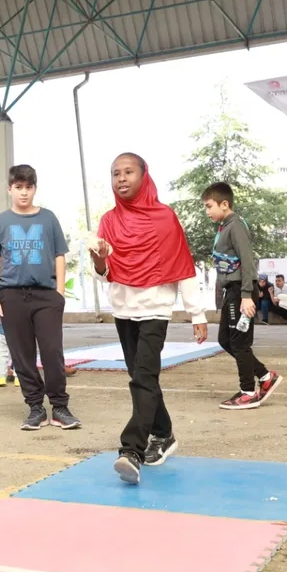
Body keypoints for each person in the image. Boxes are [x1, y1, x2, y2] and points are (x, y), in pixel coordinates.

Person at [91, 153, 208, 484]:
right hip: (123, 309)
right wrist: (99, 260)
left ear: (144, 176)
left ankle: (131, 450)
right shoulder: (108, 221)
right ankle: (164, 433)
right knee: (141, 376)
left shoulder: (164, 218)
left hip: (155, 308)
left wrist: (196, 313)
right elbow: (104, 273)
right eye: (116, 173)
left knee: (142, 377)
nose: (121, 179)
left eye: (128, 172)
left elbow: (183, 266)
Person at [0, 164, 80, 431]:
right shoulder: (1, 222)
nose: (24, 193)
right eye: (18, 187)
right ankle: (35, 407)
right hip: (12, 296)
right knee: (22, 356)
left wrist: (59, 293)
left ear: (35, 189)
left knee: (52, 352)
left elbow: (59, 255)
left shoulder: (48, 219)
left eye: (28, 187)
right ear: (9, 189)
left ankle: (59, 407)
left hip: (46, 295)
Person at [204, 182, 283, 410]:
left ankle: (248, 392)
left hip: (241, 291)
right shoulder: (225, 227)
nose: (207, 211)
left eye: (209, 206)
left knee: (240, 343)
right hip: (232, 291)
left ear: (224, 204)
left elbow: (248, 261)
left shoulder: (236, 225)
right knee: (226, 340)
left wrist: (247, 295)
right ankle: (265, 377)